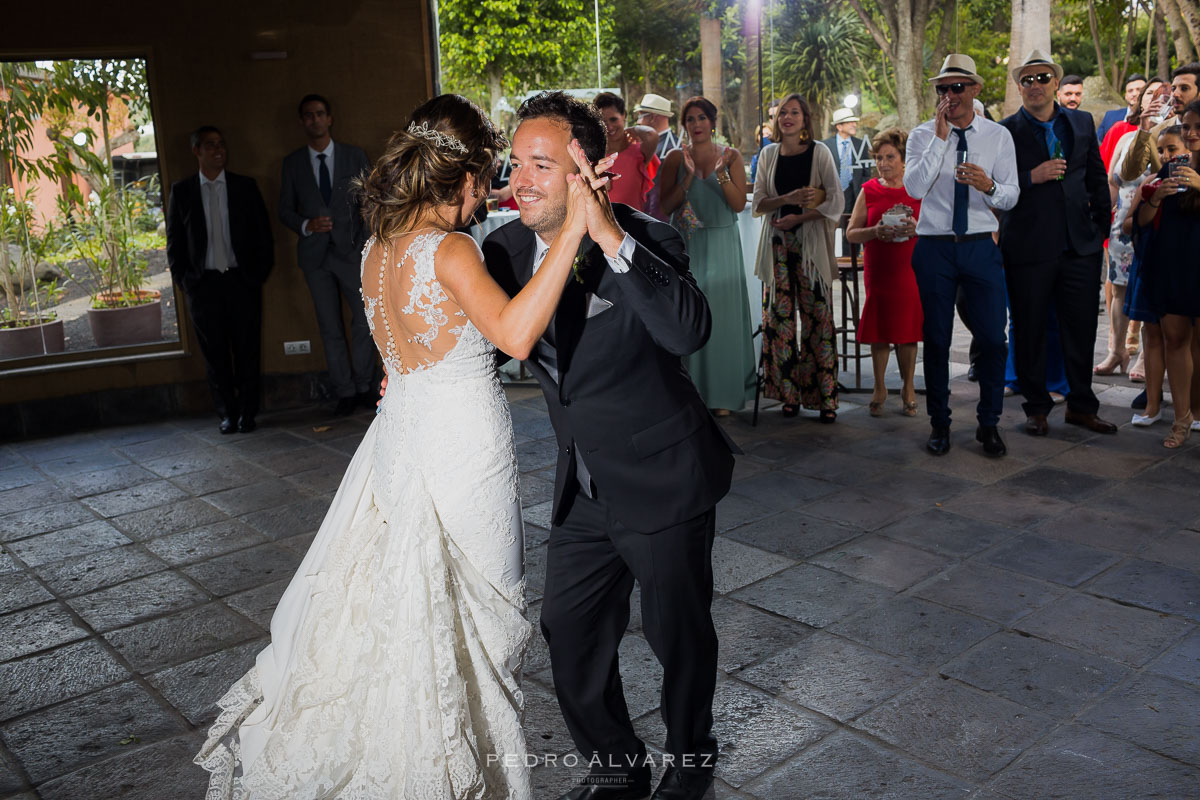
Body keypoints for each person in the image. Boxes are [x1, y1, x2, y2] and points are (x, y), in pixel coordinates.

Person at [194, 94, 608, 798]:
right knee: (481, 619)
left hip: (401, 439)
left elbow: (402, 358)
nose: (495, 190)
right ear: (465, 175)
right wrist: (574, 229)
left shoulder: (376, 250)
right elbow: (512, 334)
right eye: (490, 175)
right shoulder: (449, 249)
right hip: (460, 447)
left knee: (419, 616)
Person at [484, 91, 736, 800]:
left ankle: (692, 764)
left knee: (677, 638)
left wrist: (612, 241)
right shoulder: (503, 249)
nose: (520, 181)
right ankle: (619, 769)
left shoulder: (648, 238)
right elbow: (493, 334)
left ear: (585, 171)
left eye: (540, 165)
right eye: (515, 163)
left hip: (663, 477)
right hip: (582, 487)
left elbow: (688, 333)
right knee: (569, 631)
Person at [904, 54, 1019, 457]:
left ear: (975, 90)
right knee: (936, 339)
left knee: (992, 338)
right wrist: (939, 140)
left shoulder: (997, 137)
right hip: (934, 248)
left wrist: (989, 186)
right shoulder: (921, 136)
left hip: (979, 247)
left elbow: (1012, 194)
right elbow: (915, 189)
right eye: (942, 89)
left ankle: (989, 423)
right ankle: (940, 424)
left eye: (957, 87)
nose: (949, 96)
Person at [999, 50, 1117, 437]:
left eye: (1042, 78)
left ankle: (1082, 406)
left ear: (1056, 83)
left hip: (1079, 247)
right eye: (1027, 80)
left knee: (1081, 330)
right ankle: (1036, 408)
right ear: (1019, 87)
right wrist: (1031, 176)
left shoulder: (1081, 121)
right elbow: (995, 186)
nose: (1035, 85)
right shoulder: (1006, 131)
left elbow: (1097, 178)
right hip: (1029, 247)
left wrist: (1099, 227)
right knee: (1030, 330)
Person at [166, 126, 273, 435]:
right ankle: (227, 412)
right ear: (196, 151)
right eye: (211, 145)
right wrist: (186, 281)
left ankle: (248, 414)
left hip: (241, 282)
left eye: (222, 145)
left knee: (247, 350)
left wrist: (256, 276)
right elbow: (175, 243)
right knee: (215, 355)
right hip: (204, 286)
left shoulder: (244, 186)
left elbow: (263, 237)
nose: (218, 150)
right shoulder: (182, 191)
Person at [658, 95, 756, 416]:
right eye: (690, 119)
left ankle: (723, 395)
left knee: (723, 317)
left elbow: (739, 204)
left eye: (702, 118)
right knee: (689, 314)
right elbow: (666, 206)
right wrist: (687, 177)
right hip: (687, 246)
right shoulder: (674, 157)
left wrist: (721, 173)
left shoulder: (731, 156)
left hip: (723, 243)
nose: (696, 124)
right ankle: (691, 392)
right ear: (683, 125)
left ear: (713, 123)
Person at [279, 93, 375, 416]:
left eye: (320, 114)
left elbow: (369, 203)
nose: (315, 120)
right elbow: (284, 210)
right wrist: (306, 224)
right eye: (308, 115)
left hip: (351, 252)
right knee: (329, 325)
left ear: (329, 118)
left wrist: (364, 245)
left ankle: (364, 386)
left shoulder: (354, 155)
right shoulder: (292, 163)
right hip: (315, 256)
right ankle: (345, 392)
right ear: (302, 122)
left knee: (364, 320)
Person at [752, 93, 844, 422]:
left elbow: (835, 201)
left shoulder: (820, 153)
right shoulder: (768, 155)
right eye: (782, 114)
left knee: (818, 320)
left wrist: (799, 217)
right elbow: (758, 204)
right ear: (776, 121)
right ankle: (787, 396)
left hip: (810, 247)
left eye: (794, 113)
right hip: (776, 246)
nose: (787, 118)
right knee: (779, 322)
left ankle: (826, 399)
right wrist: (787, 199)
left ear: (805, 119)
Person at [1135, 99, 1200, 447]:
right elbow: (1143, 222)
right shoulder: (1170, 168)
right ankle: (1181, 418)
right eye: (1187, 127)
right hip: (1173, 263)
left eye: (1197, 127)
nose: (1190, 134)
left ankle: (1197, 410)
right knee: (1175, 339)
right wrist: (1155, 199)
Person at [846, 127, 922, 417]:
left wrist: (918, 228)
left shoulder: (917, 188)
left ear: (904, 158)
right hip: (879, 269)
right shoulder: (869, 190)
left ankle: (908, 387)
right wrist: (875, 231)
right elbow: (852, 233)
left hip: (909, 268)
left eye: (890, 156)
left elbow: (935, 227)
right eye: (879, 157)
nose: (883, 163)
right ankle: (879, 387)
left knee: (906, 330)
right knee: (880, 328)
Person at [1099, 77, 1165, 377]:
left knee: (1149, 288)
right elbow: (1115, 181)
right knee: (1119, 288)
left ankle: (1143, 356)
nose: (1152, 99)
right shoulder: (1126, 138)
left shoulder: (1169, 137)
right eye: (1147, 94)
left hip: (1152, 223)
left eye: (1159, 95)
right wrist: (1103, 218)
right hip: (1121, 224)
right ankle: (1116, 350)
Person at [1123, 125, 1187, 427]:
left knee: (1184, 339)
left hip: (1184, 266)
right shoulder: (1152, 182)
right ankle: (1152, 404)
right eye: (1160, 151)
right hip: (1151, 263)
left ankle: (1190, 410)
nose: (1165, 156)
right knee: (1153, 334)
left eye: (1171, 149)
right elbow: (1129, 223)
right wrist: (1153, 197)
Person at [1119, 62, 1200, 182]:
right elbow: (1127, 174)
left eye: (1184, 88)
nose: (1175, 94)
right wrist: (1144, 131)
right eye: (1173, 88)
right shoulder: (1155, 132)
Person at [594, 91, 658, 213]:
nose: (609, 127)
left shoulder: (638, 152)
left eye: (613, 119)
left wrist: (634, 129)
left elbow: (651, 135)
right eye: (603, 121)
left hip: (634, 227)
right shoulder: (593, 155)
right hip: (601, 228)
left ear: (624, 115)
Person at [822, 107, 873, 217]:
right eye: (850, 122)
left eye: (854, 122)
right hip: (833, 192)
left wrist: (861, 187)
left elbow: (866, 171)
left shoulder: (860, 144)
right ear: (839, 126)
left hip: (855, 193)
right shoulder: (826, 145)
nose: (854, 124)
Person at [1098, 73, 1146, 152]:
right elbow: (1097, 142)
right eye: (1130, 91)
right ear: (1126, 95)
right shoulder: (1110, 116)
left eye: (1139, 90)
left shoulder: (1153, 119)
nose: (1134, 94)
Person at [634, 92, 680, 159]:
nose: (638, 122)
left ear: (652, 117)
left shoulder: (669, 148)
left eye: (641, 116)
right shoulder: (659, 143)